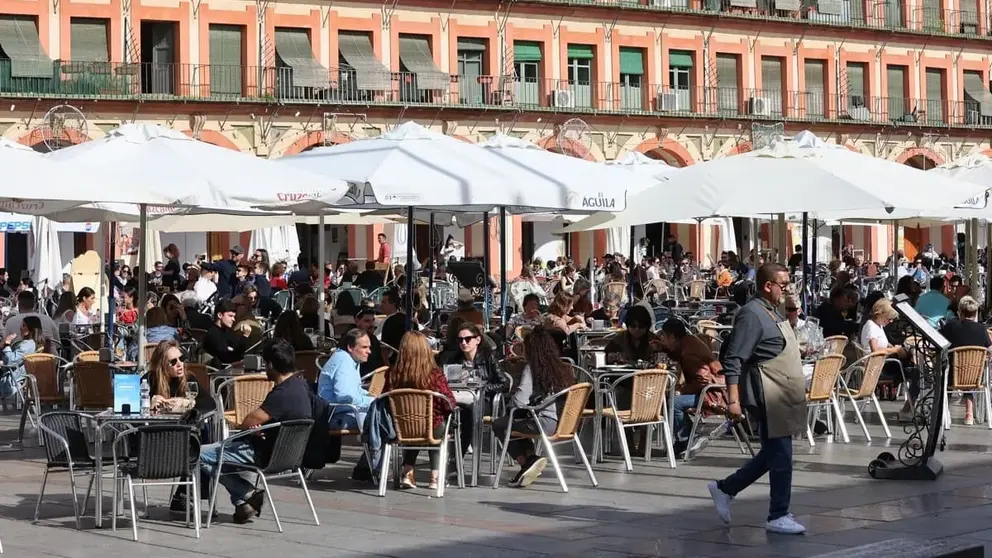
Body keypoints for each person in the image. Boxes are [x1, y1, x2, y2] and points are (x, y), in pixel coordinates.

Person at [708, 263, 808, 535]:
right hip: (768, 393)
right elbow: (734, 359)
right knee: (782, 455)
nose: (786, 291)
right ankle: (778, 514)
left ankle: (726, 488)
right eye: (783, 285)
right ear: (768, 285)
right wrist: (733, 400)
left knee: (773, 454)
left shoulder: (771, 311)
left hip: (782, 391)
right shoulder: (751, 315)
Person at [198, 339, 313, 523]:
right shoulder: (301, 387)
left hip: (264, 454)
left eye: (265, 364)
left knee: (197, 453)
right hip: (290, 455)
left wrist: (252, 427)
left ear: (271, 365)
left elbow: (247, 422)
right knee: (219, 458)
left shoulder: (282, 394)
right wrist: (262, 427)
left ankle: (247, 493)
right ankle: (242, 504)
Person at [491, 326, 573, 488]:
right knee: (520, 420)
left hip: (545, 423)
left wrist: (510, 403)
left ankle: (525, 462)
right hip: (565, 422)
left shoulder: (532, 368)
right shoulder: (562, 368)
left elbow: (520, 401)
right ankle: (530, 460)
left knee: (500, 424)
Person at [383, 331, 455, 490]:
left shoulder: (392, 374)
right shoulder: (435, 375)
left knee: (412, 428)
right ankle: (435, 477)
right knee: (436, 427)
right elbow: (448, 402)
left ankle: (407, 472)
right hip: (431, 426)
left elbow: (384, 398)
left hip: (400, 426)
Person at [437, 322, 509, 462]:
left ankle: (455, 459)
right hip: (456, 399)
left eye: (467, 339)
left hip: (483, 401)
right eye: (460, 340)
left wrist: (482, 388)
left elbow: (504, 383)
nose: (464, 343)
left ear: (478, 340)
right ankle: (444, 457)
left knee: (467, 414)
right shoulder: (453, 358)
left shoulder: (489, 357)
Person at [657, 318, 723, 458]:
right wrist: (663, 348)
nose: (663, 339)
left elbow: (703, 381)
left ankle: (687, 438)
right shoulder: (689, 342)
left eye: (664, 336)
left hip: (714, 393)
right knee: (673, 399)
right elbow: (677, 353)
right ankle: (684, 439)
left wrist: (682, 390)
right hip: (714, 389)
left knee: (673, 403)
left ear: (672, 337)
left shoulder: (689, 352)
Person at [861, 298, 917, 421]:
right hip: (877, 367)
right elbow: (875, 350)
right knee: (916, 373)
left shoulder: (878, 326)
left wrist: (894, 348)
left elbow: (885, 344)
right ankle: (909, 408)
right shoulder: (871, 326)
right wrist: (895, 351)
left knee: (913, 367)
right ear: (880, 314)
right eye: (889, 318)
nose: (890, 321)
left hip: (882, 363)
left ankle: (909, 407)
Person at [940, 296, 990, 425]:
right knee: (972, 370)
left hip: (953, 374)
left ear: (960, 311)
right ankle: (969, 413)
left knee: (946, 373)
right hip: (975, 376)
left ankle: (944, 413)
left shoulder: (951, 326)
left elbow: (939, 342)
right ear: (975, 313)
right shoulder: (981, 329)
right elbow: (989, 348)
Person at [318, 328, 374, 430]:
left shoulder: (351, 359)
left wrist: (372, 396)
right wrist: (372, 401)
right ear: (350, 347)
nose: (369, 351)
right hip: (336, 416)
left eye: (369, 347)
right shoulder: (344, 361)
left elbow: (354, 389)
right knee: (380, 418)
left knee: (381, 414)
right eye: (364, 347)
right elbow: (345, 397)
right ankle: (377, 446)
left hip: (343, 411)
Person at [0, 316, 43, 400]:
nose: (20, 327)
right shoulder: (30, 343)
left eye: (23, 325)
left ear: (31, 329)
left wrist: (7, 343)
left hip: (11, 382)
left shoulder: (27, 345)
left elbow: (10, 361)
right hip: (13, 375)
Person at [202, 300, 251, 367]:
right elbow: (227, 358)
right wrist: (245, 336)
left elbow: (237, 349)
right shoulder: (213, 334)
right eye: (230, 316)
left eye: (234, 316)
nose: (233, 319)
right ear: (220, 315)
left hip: (231, 369)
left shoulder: (227, 331)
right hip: (221, 373)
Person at [355, 308, 385, 374]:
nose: (371, 324)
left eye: (373, 320)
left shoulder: (373, 338)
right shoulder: (351, 339)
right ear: (357, 321)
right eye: (367, 321)